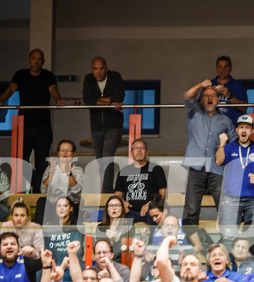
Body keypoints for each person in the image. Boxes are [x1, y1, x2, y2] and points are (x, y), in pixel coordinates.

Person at [0, 49, 65, 189]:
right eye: (33, 58)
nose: (36, 61)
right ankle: (39, 185)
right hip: (24, 125)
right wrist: (0, 101)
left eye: (39, 59)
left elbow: (53, 90)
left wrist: (58, 99)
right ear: (29, 60)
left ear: (42, 61)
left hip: (43, 126)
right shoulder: (21, 74)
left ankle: (38, 195)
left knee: (42, 164)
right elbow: (11, 89)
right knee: (20, 162)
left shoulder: (48, 76)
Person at [182, 79, 237, 227]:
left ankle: (227, 240)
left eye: (213, 95)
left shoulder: (226, 120)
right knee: (191, 209)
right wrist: (200, 85)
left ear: (218, 99)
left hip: (217, 169)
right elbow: (187, 95)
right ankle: (191, 243)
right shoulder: (194, 112)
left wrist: (225, 146)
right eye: (206, 95)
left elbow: (235, 145)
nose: (210, 98)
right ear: (201, 99)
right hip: (196, 167)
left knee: (225, 207)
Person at [216, 114, 254, 230]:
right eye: (241, 127)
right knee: (228, 235)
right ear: (236, 130)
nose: (244, 130)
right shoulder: (229, 147)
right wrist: (222, 145)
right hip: (231, 199)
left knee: (253, 235)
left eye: (247, 127)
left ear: (252, 131)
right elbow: (218, 161)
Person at [82, 56, 125, 193]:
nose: (98, 72)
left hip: (113, 126)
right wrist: (109, 102)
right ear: (91, 70)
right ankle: (104, 189)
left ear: (106, 69)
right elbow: (88, 100)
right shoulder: (88, 79)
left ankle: (107, 192)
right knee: (100, 160)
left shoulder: (115, 77)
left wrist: (98, 101)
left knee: (107, 157)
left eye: (101, 68)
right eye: (95, 69)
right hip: (95, 128)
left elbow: (118, 97)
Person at [114, 139, 167, 223]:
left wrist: (150, 204)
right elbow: (117, 194)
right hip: (129, 211)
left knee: (156, 213)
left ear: (147, 152)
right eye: (135, 148)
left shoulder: (156, 169)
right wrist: (123, 202)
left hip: (150, 210)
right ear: (131, 152)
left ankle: (155, 236)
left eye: (142, 147)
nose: (139, 150)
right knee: (117, 216)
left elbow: (163, 193)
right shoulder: (124, 171)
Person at [37, 139, 84, 224]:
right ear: (58, 153)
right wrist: (51, 173)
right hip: (53, 204)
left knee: (68, 203)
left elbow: (77, 192)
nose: (65, 153)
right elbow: (43, 190)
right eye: (62, 150)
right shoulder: (50, 169)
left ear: (73, 154)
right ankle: (39, 231)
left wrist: (69, 173)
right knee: (41, 201)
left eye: (68, 150)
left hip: (70, 203)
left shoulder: (78, 170)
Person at [43, 197, 83, 282]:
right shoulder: (49, 227)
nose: (61, 208)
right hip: (53, 265)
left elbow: (80, 250)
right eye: (59, 206)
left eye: (65, 206)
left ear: (71, 208)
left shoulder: (78, 226)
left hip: (71, 265)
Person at [209, 55, 248, 124]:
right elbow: (199, 107)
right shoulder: (209, 84)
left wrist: (229, 95)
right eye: (220, 67)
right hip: (212, 127)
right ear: (216, 68)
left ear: (231, 68)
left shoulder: (238, 84)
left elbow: (244, 108)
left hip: (232, 128)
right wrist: (211, 96)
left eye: (226, 67)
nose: (222, 70)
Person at [96, 195, 134, 262]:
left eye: (117, 205)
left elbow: (126, 252)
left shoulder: (129, 227)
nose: (114, 208)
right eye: (111, 206)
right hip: (104, 262)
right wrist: (111, 239)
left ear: (122, 209)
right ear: (107, 210)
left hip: (122, 263)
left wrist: (115, 240)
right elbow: (101, 250)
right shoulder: (100, 227)